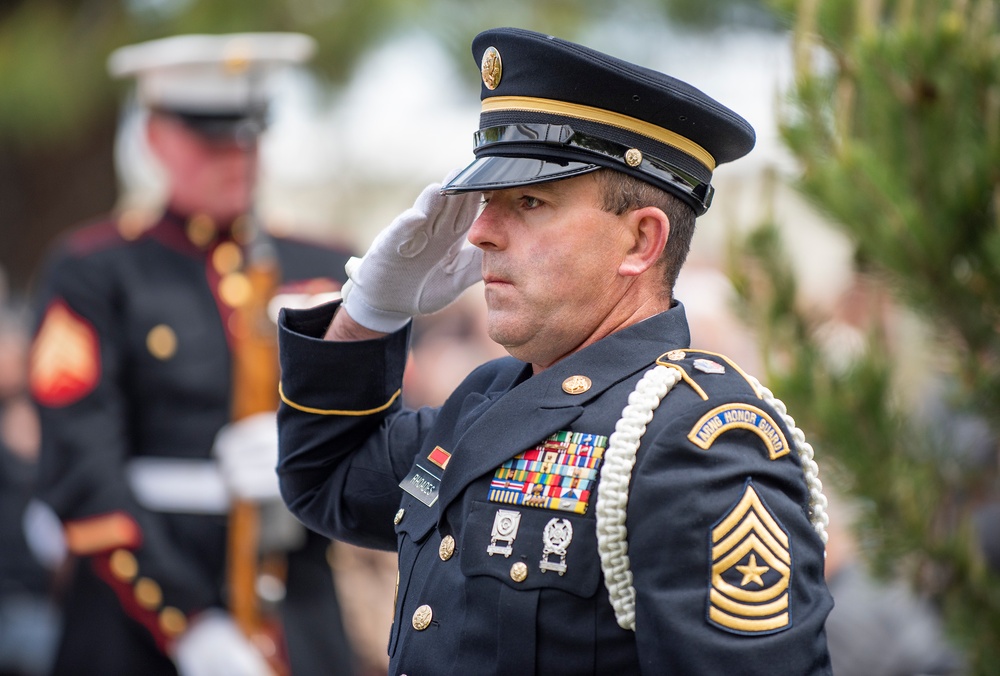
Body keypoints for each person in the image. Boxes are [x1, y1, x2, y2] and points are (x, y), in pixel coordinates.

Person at [276, 27, 833, 674]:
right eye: (488, 201)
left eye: (530, 201)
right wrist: (368, 313)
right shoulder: (488, 399)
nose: (481, 232)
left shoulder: (698, 440)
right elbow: (326, 481)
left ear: (640, 242)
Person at [28, 33, 357, 675]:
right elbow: (80, 464)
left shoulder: (323, 265)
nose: (237, 156)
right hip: (136, 621)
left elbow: (383, 419)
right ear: (155, 138)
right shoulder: (96, 270)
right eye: (211, 140)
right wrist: (188, 624)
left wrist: (314, 446)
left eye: (250, 136)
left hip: (298, 611)